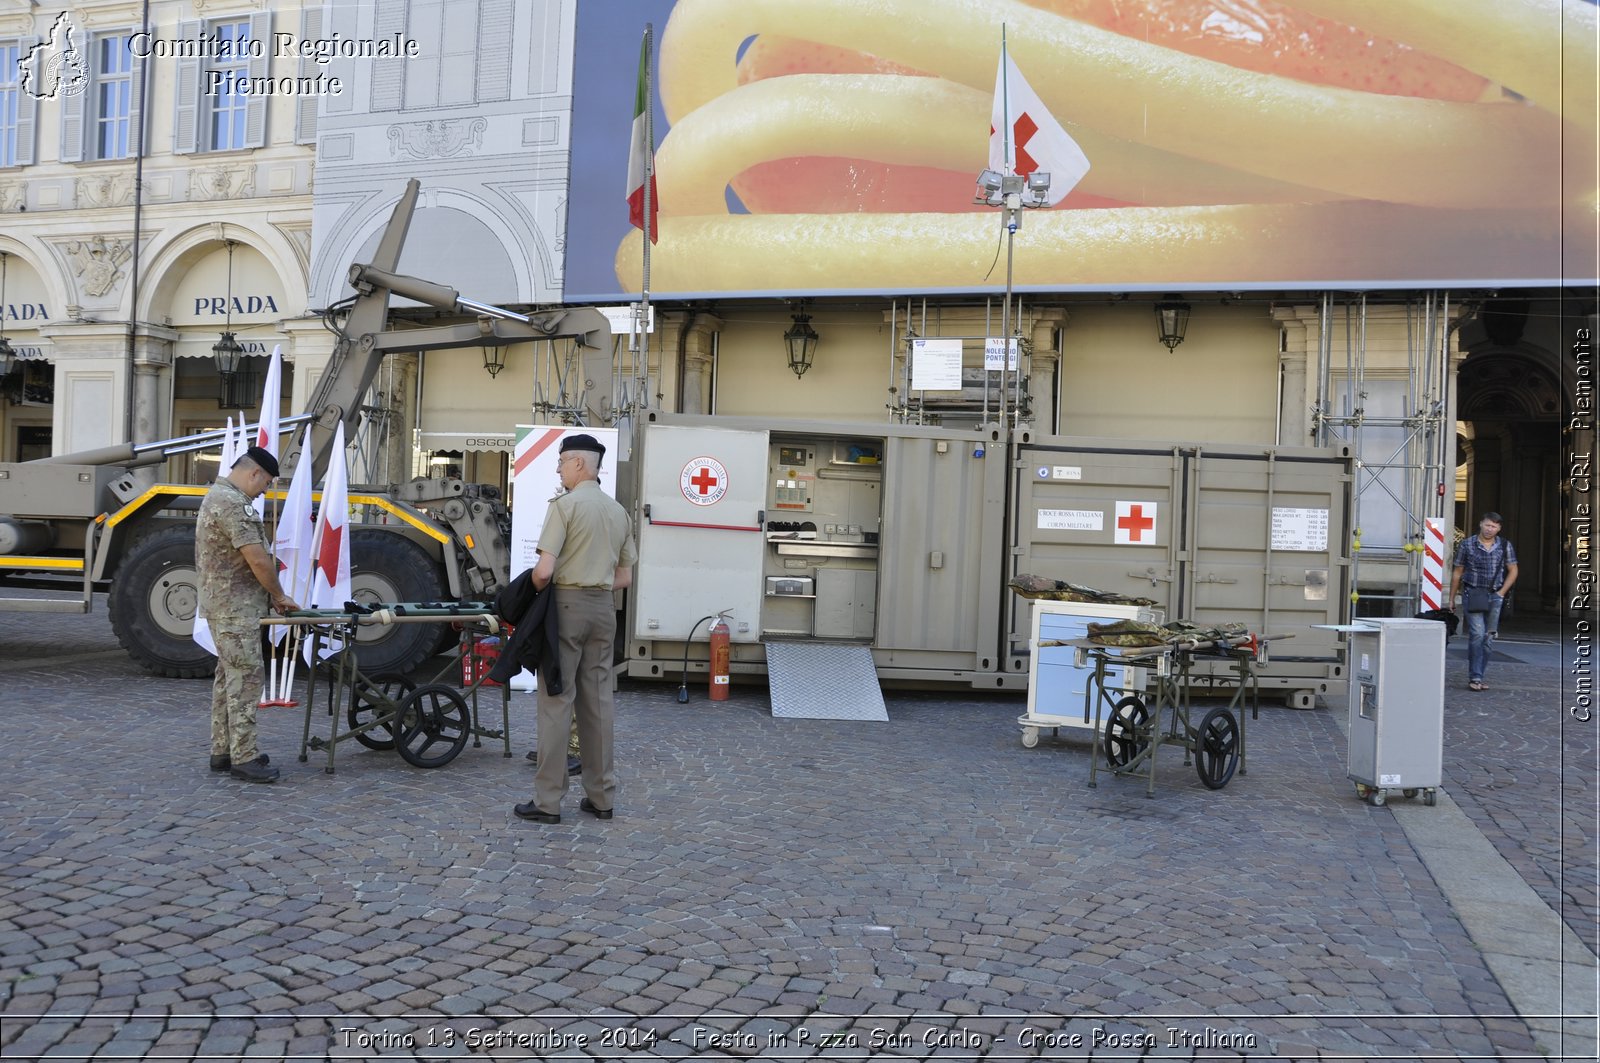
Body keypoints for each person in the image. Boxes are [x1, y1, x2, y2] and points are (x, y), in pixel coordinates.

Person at [514, 434, 637, 823]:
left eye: (563, 461)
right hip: (604, 608)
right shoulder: (618, 512)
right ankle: (602, 798)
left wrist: (529, 589)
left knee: (556, 701)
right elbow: (624, 578)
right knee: (598, 703)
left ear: (580, 464)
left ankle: (547, 801)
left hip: (565, 607)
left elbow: (544, 572)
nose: (558, 468)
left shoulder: (564, 506)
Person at [196, 446, 299, 782]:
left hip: (225, 606)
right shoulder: (232, 503)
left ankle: (223, 751)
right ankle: (245, 756)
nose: (265, 491)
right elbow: (257, 559)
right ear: (254, 473)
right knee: (246, 679)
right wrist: (279, 595)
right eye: (266, 482)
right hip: (235, 609)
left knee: (228, 679)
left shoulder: (217, 496)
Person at [1449, 511, 1518, 692]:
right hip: (1473, 593)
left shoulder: (1504, 545)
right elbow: (1457, 572)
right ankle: (1475, 677)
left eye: (1494, 526)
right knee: (1477, 634)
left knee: (1488, 638)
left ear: (1499, 528)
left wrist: (1502, 592)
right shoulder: (1467, 544)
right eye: (1487, 525)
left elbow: (1513, 570)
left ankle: (1479, 674)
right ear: (1481, 524)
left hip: (1495, 595)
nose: (1490, 529)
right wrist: (1452, 598)